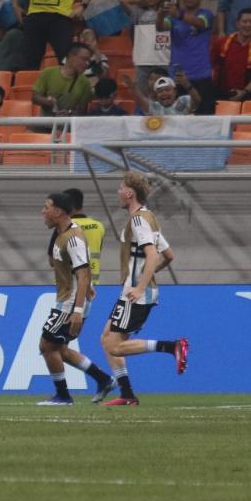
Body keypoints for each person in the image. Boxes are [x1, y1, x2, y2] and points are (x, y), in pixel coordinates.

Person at [100, 171, 188, 406]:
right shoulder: (149, 218)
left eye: (120, 188)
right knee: (106, 338)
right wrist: (146, 278)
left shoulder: (138, 220)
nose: (118, 192)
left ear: (129, 193)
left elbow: (152, 255)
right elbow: (168, 255)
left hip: (135, 294)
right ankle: (127, 394)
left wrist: (140, 286)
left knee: (114, 346)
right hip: (134, 291)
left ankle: (171, 346)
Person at [36, 191, 112, 406]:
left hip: (70, 303)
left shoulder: (73, 238)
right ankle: (104, 379)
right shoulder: (62, 234)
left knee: (46, 345)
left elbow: (83, 272)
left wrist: (77, 310)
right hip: (69, 299)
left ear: (58, 211)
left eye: (46, 207)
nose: (43, 211)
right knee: (60, 349)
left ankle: (63, 396)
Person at [169, 0, 215, 113]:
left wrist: (178, 14)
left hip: (201, 73)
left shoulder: (206, 14)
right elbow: (160, 27)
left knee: (204, 114)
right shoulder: (172, 16)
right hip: (177, 73)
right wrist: (161, 14)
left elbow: (200, 23)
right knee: (178, 116)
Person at [127, 0, 174, 95]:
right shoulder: (137, 12)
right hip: (142, 61)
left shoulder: (169, 11)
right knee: (144, 96)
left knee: (165, 94)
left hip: (163, 60)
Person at [33, 42, 94, 116]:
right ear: (71, 56)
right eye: (84, 59)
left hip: (69, 124)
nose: (87, 63)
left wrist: (69, 113)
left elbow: (81, 111)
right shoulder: (48, 73)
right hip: (45, 123)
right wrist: (47, 101)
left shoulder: (85, 82)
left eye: (88, 61)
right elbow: (35, 97)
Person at [213, 9, 251, 99]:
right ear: (237, 23)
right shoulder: (222, 43)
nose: (248, 25)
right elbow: (211, 66)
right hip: (222, 95)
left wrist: (244, 92)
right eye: (244, 21)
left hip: (248, 96)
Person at [127, 74, 198, 115]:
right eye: (160, 91)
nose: (164, 93)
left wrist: (187, 85)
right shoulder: (154, 107)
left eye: (167, 90)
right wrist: (133, 88)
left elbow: (197, 100)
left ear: (175, 91)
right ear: (156, 95)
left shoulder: (184, 101)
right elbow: (140, 99)